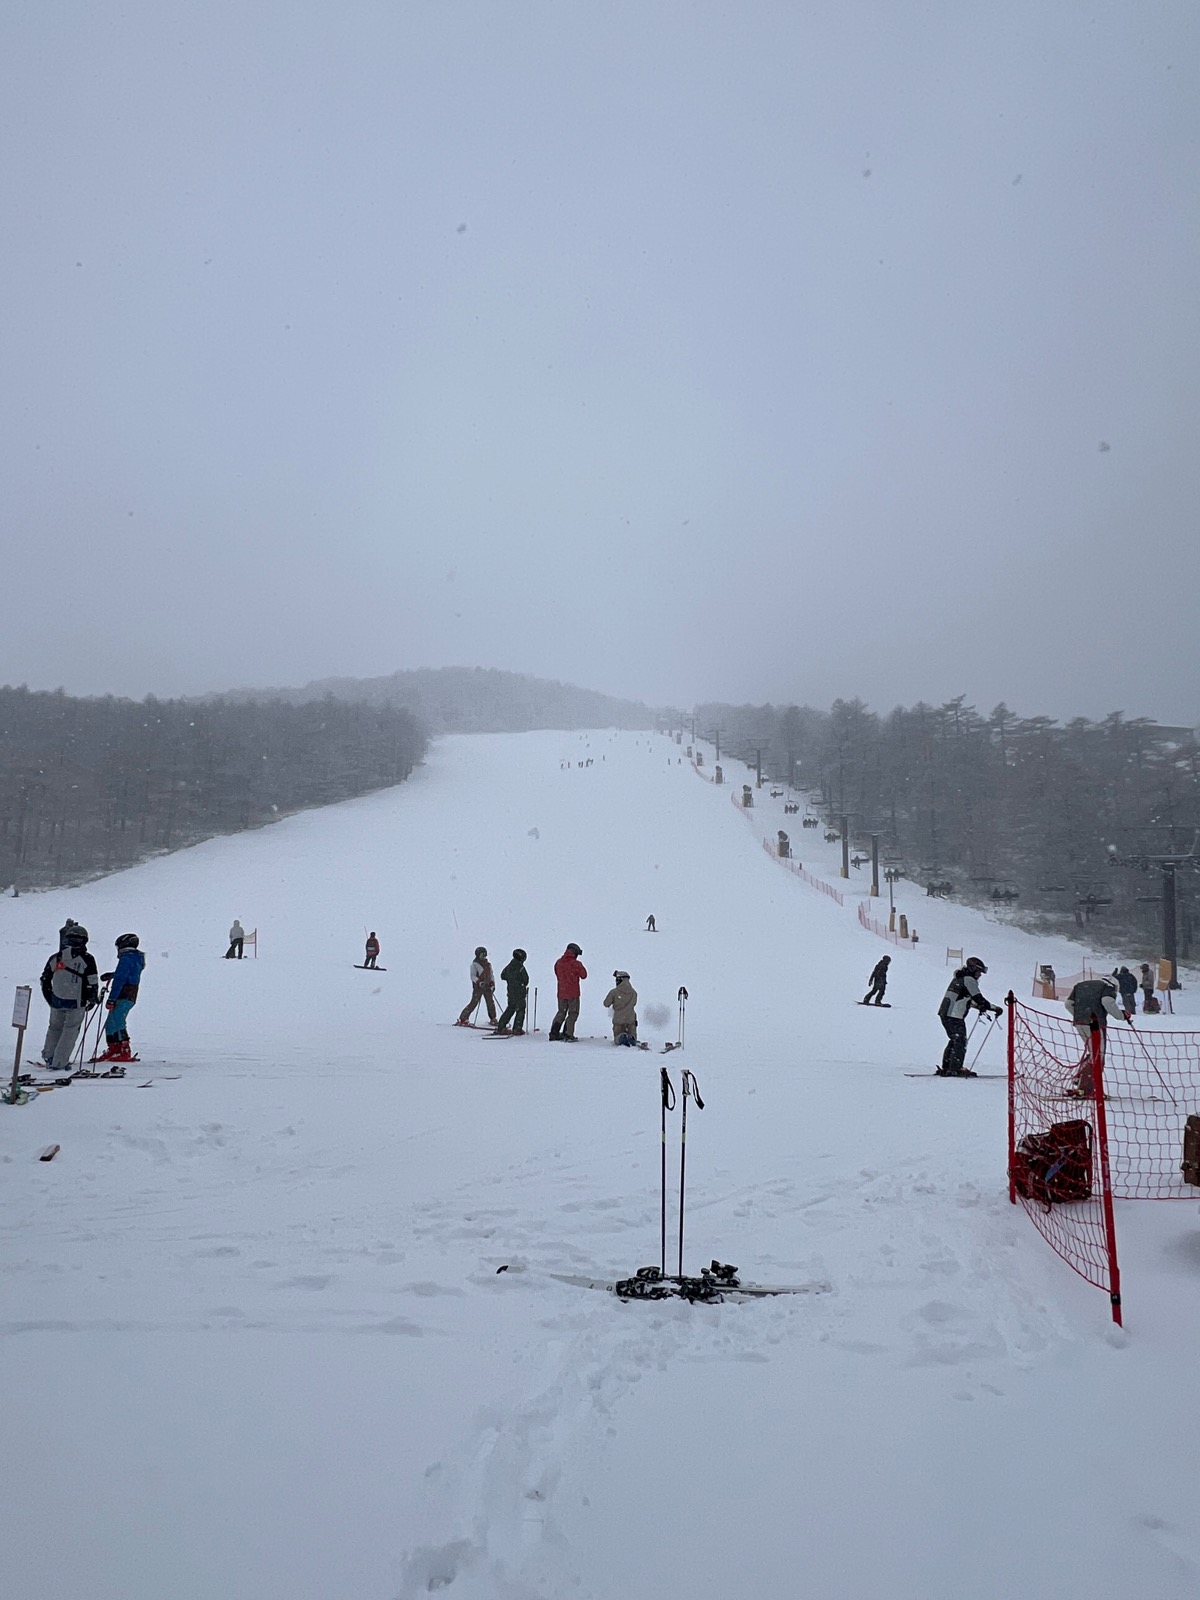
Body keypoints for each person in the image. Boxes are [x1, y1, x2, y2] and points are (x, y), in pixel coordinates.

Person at [39, 924, 99, 1071]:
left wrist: (50, 997)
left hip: (57, 999)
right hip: (77, 1001)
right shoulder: (87, 959)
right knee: (70, 1030)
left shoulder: (56, 957)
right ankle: (60, 1061)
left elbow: (45, 979)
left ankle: (49, 1055)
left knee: (54, 1028)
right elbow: (92, 981)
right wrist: (92, 998)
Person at [1065, 975, 1131, 1095]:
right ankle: (1086, 1088)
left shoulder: (1080, 985)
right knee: (1098, 1056)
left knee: (1092, 1052)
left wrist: (1079, 1015)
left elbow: (1068, 1004)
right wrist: (1121, 1015)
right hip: (1095, 1025)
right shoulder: (1107, 987)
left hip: (1080, 1023)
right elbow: (1107, 1001)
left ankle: (1080, 1078)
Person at [936, 957, 1001, 1077]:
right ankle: (955, 1068)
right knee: (960, 1041)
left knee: (955, 1039)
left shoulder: (959, 979)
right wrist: (994, 1008)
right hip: (954, 1015)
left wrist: (985, 1006)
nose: (979, 975)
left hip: (945, 1013)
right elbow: (978, 998)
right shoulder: (969, 979)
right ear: (972, 969)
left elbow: (967, 1000)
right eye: (978, 972)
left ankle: (948, 1067)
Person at [96, 934, 145, 1063]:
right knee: (114, 1021)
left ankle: (122, 1050)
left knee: (117, 1020)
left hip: (123, 993)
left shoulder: (126, 958)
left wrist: (112, 998)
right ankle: (115, 1049)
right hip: (131, 993)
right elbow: (128, 973)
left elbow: (121, 979)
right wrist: (112, 974)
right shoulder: (136, 958)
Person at [549, 943, 587, 1042]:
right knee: (573, 1013)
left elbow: (557, 973)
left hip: (561, 992)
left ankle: (554, 1033)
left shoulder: (558, 962)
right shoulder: (576, 964)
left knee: (561, 1012)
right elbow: (584, 975)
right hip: (573, 993)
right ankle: (568, 1033)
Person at [456, 947, 498, 1026]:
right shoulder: (474, 964)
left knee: (490, 1003)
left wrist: (492, 983)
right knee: (474, 1002)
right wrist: (479, 982)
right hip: (478, 988)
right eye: (482, 954)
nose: (484, 956)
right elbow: (473, 976)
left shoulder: (488, 964)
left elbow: (491, 975)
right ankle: (463, 1018)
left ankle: (493, 1018)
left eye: (485, 954)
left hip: (487, 987)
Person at [495, 949, 529, 1034]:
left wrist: (511, 980)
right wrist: (518, 982)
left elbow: (503, 975)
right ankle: (517, 1028)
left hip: (511, 991)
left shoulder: (509, 966)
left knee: (510, 1008)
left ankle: (501, 1026)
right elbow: (526, 980)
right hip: (520, 992)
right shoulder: (520, 967)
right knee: (520, 1009)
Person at [603, 970, 639, 1044]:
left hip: (619, 1019)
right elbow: (634, 1003)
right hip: (631, 1019)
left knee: (618, 1036)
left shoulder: (614, 992)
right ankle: (631, 1038)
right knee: (632, 1034)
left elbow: (606, 1004)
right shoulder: (634, 992)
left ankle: (621, 1038)